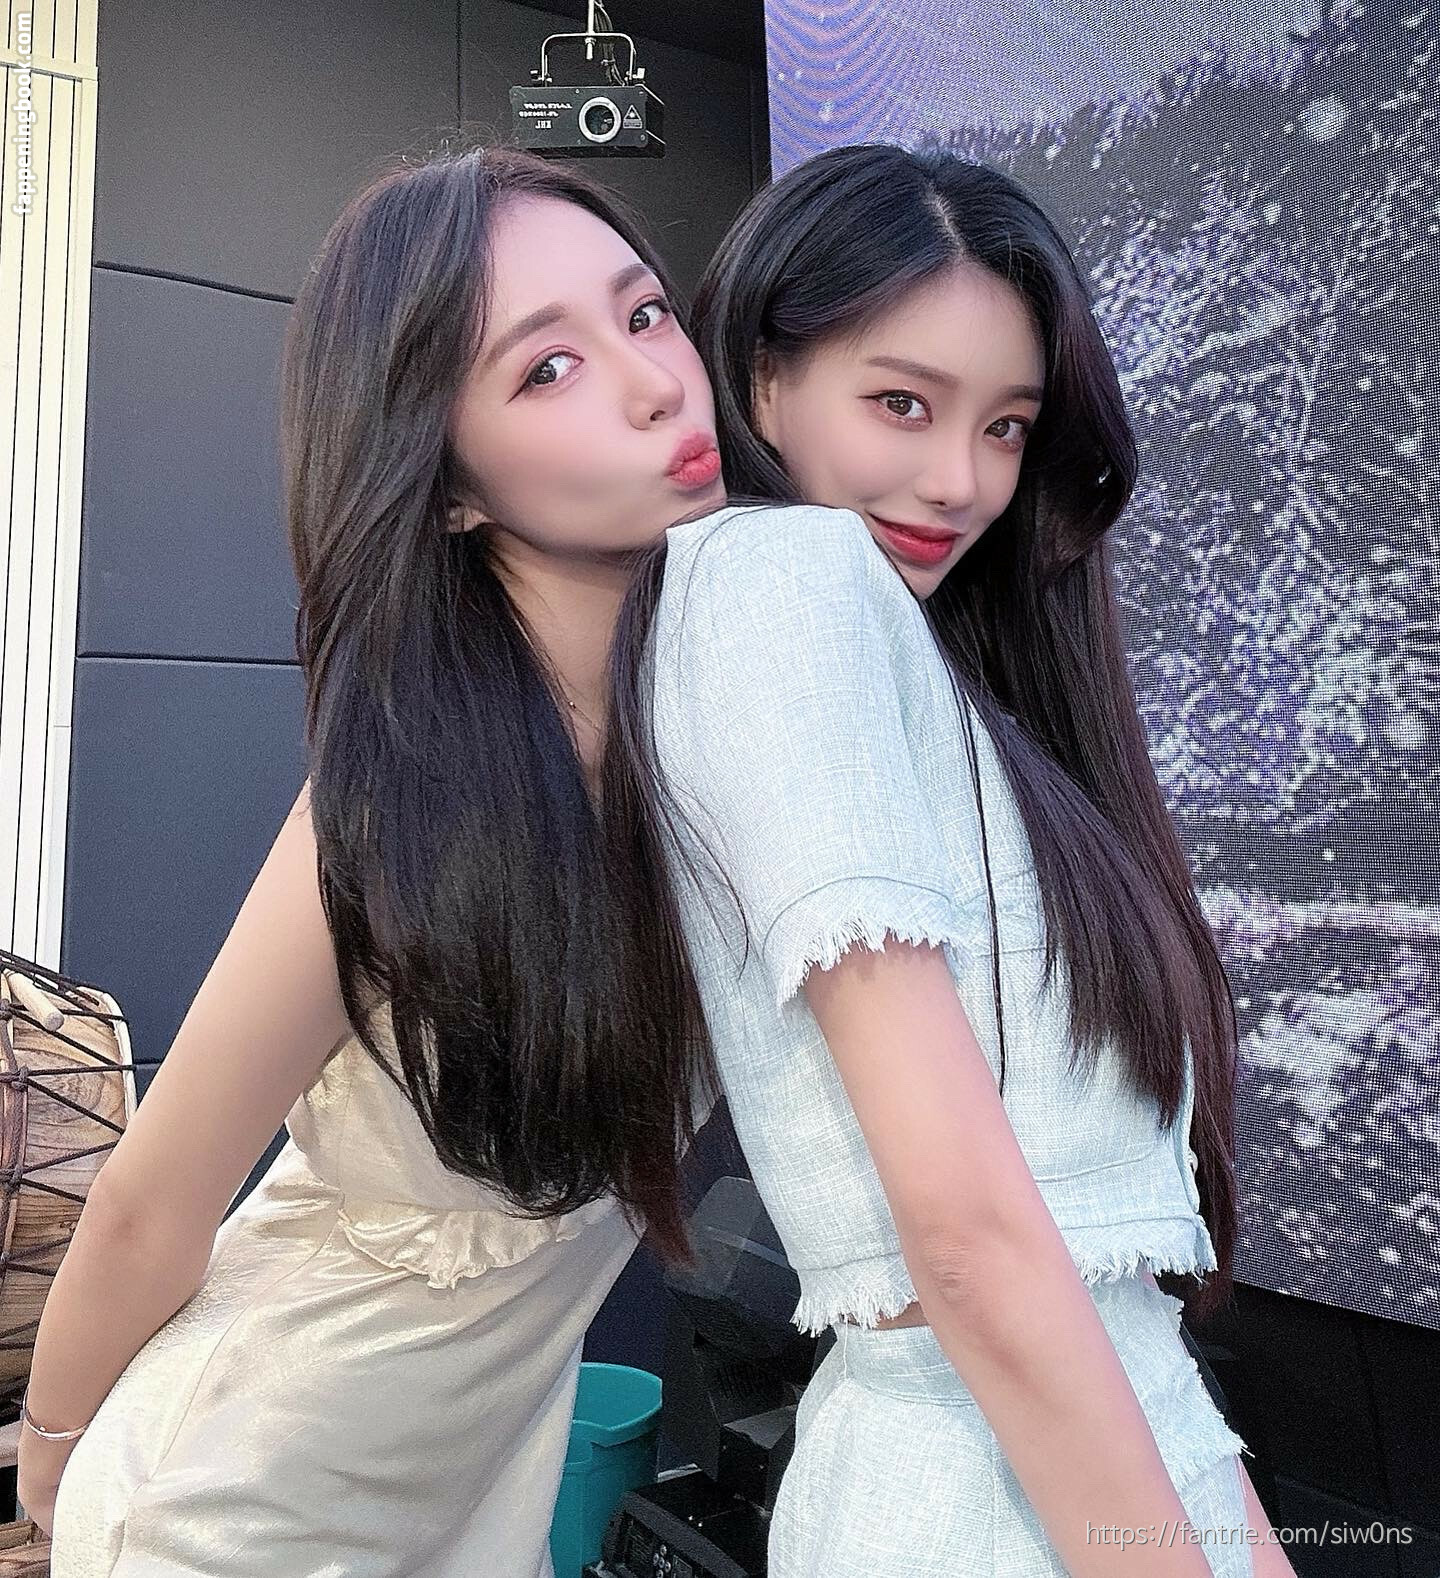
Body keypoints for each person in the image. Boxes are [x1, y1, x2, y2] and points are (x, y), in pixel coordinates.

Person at [25, 143, 727, 1577]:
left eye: (647, 312)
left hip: (465, 1509)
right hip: (231, 1511)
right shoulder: (401, 804)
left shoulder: (721, 746)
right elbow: (154, 1203)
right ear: (448, 484)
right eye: (548, 367)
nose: (656, 381)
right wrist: (49, 1467)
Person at [612, 145, 1297, 1575]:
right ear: (762, 382)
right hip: (981, 1497)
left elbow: (1105, 1310)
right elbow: (970, 1244)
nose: (960, 480)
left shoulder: (934, 670)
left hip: (1096, 1450)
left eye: (1007, 426)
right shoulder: (783, 584)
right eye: (903, 404)